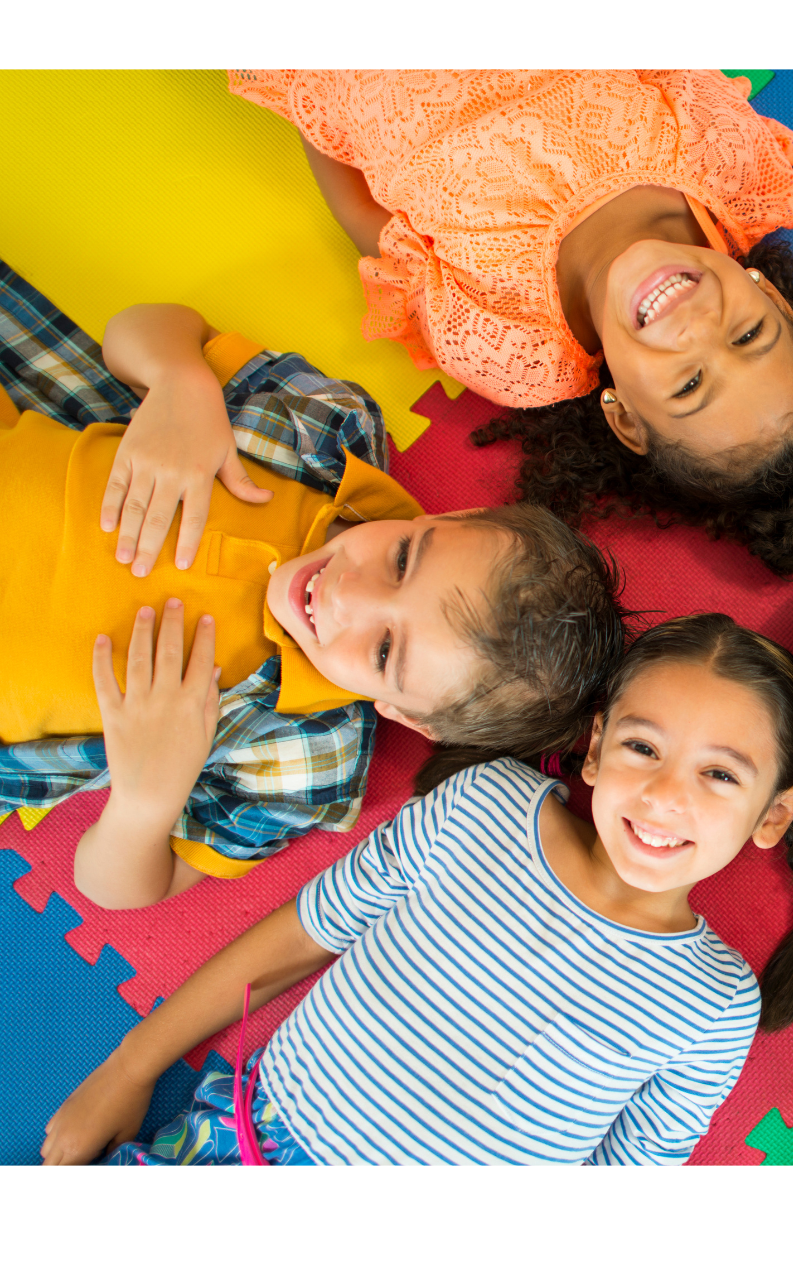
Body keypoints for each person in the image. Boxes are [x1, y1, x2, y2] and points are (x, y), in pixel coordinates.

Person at [41, 614, 793, 1193]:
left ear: (773, 815)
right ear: (595, 750)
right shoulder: (484, 807)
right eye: (643, 747)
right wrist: (131, 1065)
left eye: (719, 775)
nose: (665, 794)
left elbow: (622, 1183)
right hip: (251, 1156)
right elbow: (306, 932)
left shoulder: (715, 1002)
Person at [0, 266, 625, 906]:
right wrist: (178, 380)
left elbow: (121, 889)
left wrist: (144, 798)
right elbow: (135, 332)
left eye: (385, 651)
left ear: (406, 717)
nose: (346, 594)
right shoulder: (325, 436)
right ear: (450, 519)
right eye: (404, 559)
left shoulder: (303, 760)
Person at [231, 69, 793, 574]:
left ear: (624, 416)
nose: (694, 327)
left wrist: (304, 87)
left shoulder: (506, 345)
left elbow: (362, 213)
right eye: (748, 336)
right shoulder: (730, 166)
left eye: (688, 386)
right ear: (778, 301)